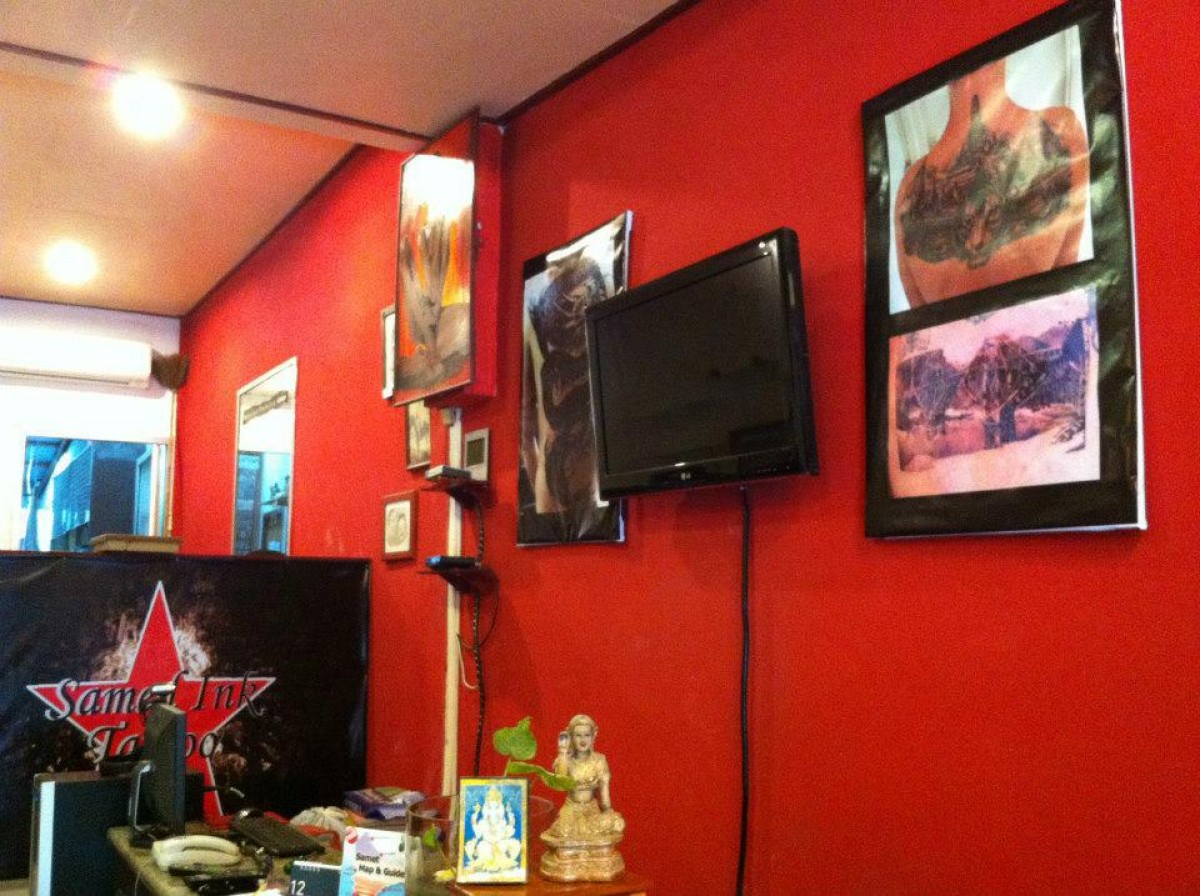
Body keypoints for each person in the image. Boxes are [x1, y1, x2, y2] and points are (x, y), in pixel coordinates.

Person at [894, 56, 1089, 306]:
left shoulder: (908, 188)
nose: (976, 242)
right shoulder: (1063, 132)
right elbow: (1065, 300)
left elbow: (919, 326)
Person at [543, 714, 625, 842]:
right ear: (571, 736)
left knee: (615, 823)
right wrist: (563, 753)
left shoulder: (599, 760)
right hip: (571, 809)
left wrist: (609, 813)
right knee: (564, 832)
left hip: (592, 810)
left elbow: (604, 799)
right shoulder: (565, 760)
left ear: (594, 735)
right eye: (578, 735)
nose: (583, 740)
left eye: (587, 735)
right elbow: (560, 783)